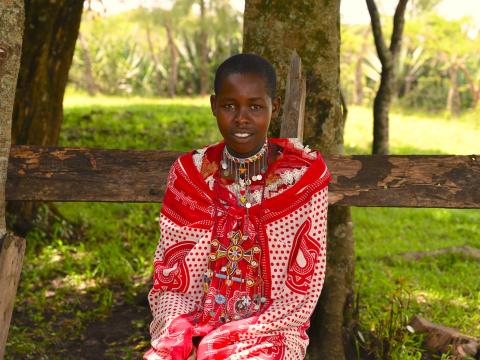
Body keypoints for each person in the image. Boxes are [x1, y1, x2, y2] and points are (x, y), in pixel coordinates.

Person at [144, 53, 331, 360]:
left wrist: (222, 340)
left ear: (276, 106)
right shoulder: (191, 175)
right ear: (214, 105)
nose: (242, 118)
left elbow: (302, 291)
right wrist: (184, 334)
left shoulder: (301, 179)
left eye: (255, 106)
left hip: (272, 329)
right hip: (193, 320)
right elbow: (171, 275)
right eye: (230, 106)